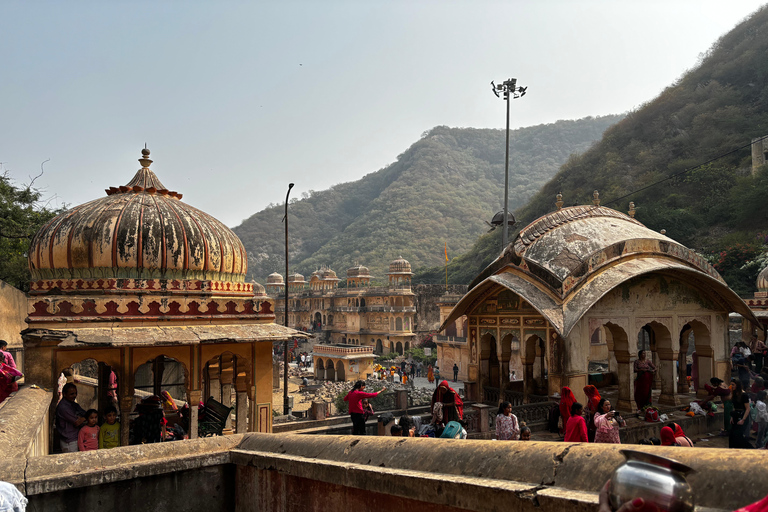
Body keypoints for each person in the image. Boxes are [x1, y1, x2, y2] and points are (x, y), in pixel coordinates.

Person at [56, 383, 86, 453]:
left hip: (74, 438)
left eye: (75, 393)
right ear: (64, 394)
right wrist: (84, 418)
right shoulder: (64, 407)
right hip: (69, 441)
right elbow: (77, 422)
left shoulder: (72, 404)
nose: (74, 396)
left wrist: (83, 417)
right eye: (72, 394)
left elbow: (85, 413)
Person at [730, 380, 754, 449]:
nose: (732, 386)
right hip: (735, 416)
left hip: (742, 416)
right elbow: (735, 407)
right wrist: (732, 417)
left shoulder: (744, 395)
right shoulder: (734, 394)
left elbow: (747, 409)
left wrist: (743, 419)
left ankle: (750, 449)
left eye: (733, 385)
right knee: (732, 435)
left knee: (738, 435)